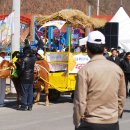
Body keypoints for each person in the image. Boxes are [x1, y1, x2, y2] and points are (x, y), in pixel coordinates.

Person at [73, 31, 126, 130]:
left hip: (91, 122)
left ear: (87, 48)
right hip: (112, 122)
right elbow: (122, 97)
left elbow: (80, 101)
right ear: (104, 48)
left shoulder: (84, 71)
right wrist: (116, 114)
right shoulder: (117, 69)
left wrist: (77, 122)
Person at [19, 46, 36, 111]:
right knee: (30, 92)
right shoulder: (33, 58)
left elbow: (22, 68)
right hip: (31, 77)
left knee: (24, 92)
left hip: (24, 77)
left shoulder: (24, 58)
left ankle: (24, 105)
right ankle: (30, 106)